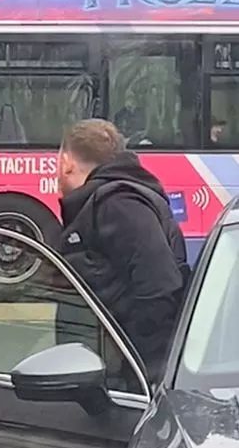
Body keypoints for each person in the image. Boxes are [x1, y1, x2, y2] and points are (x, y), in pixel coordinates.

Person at [56, 119, 188, 382]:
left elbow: (160, 286)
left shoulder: (117, 204)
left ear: (66, 162)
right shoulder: (108, 202)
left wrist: (135, 373)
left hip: (129, 383)